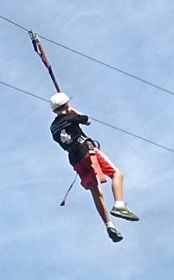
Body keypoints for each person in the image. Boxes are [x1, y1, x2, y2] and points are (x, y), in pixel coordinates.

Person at [49, 92, 139, 242]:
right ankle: (119, 204)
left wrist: (67, 112)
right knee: (117, 174)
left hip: (76, 161)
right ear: (66, 105)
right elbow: (88, 121)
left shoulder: (52, 128)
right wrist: (73, 111)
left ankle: (108, 224)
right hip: (88, 152)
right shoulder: (71, 117)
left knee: (95, 192)